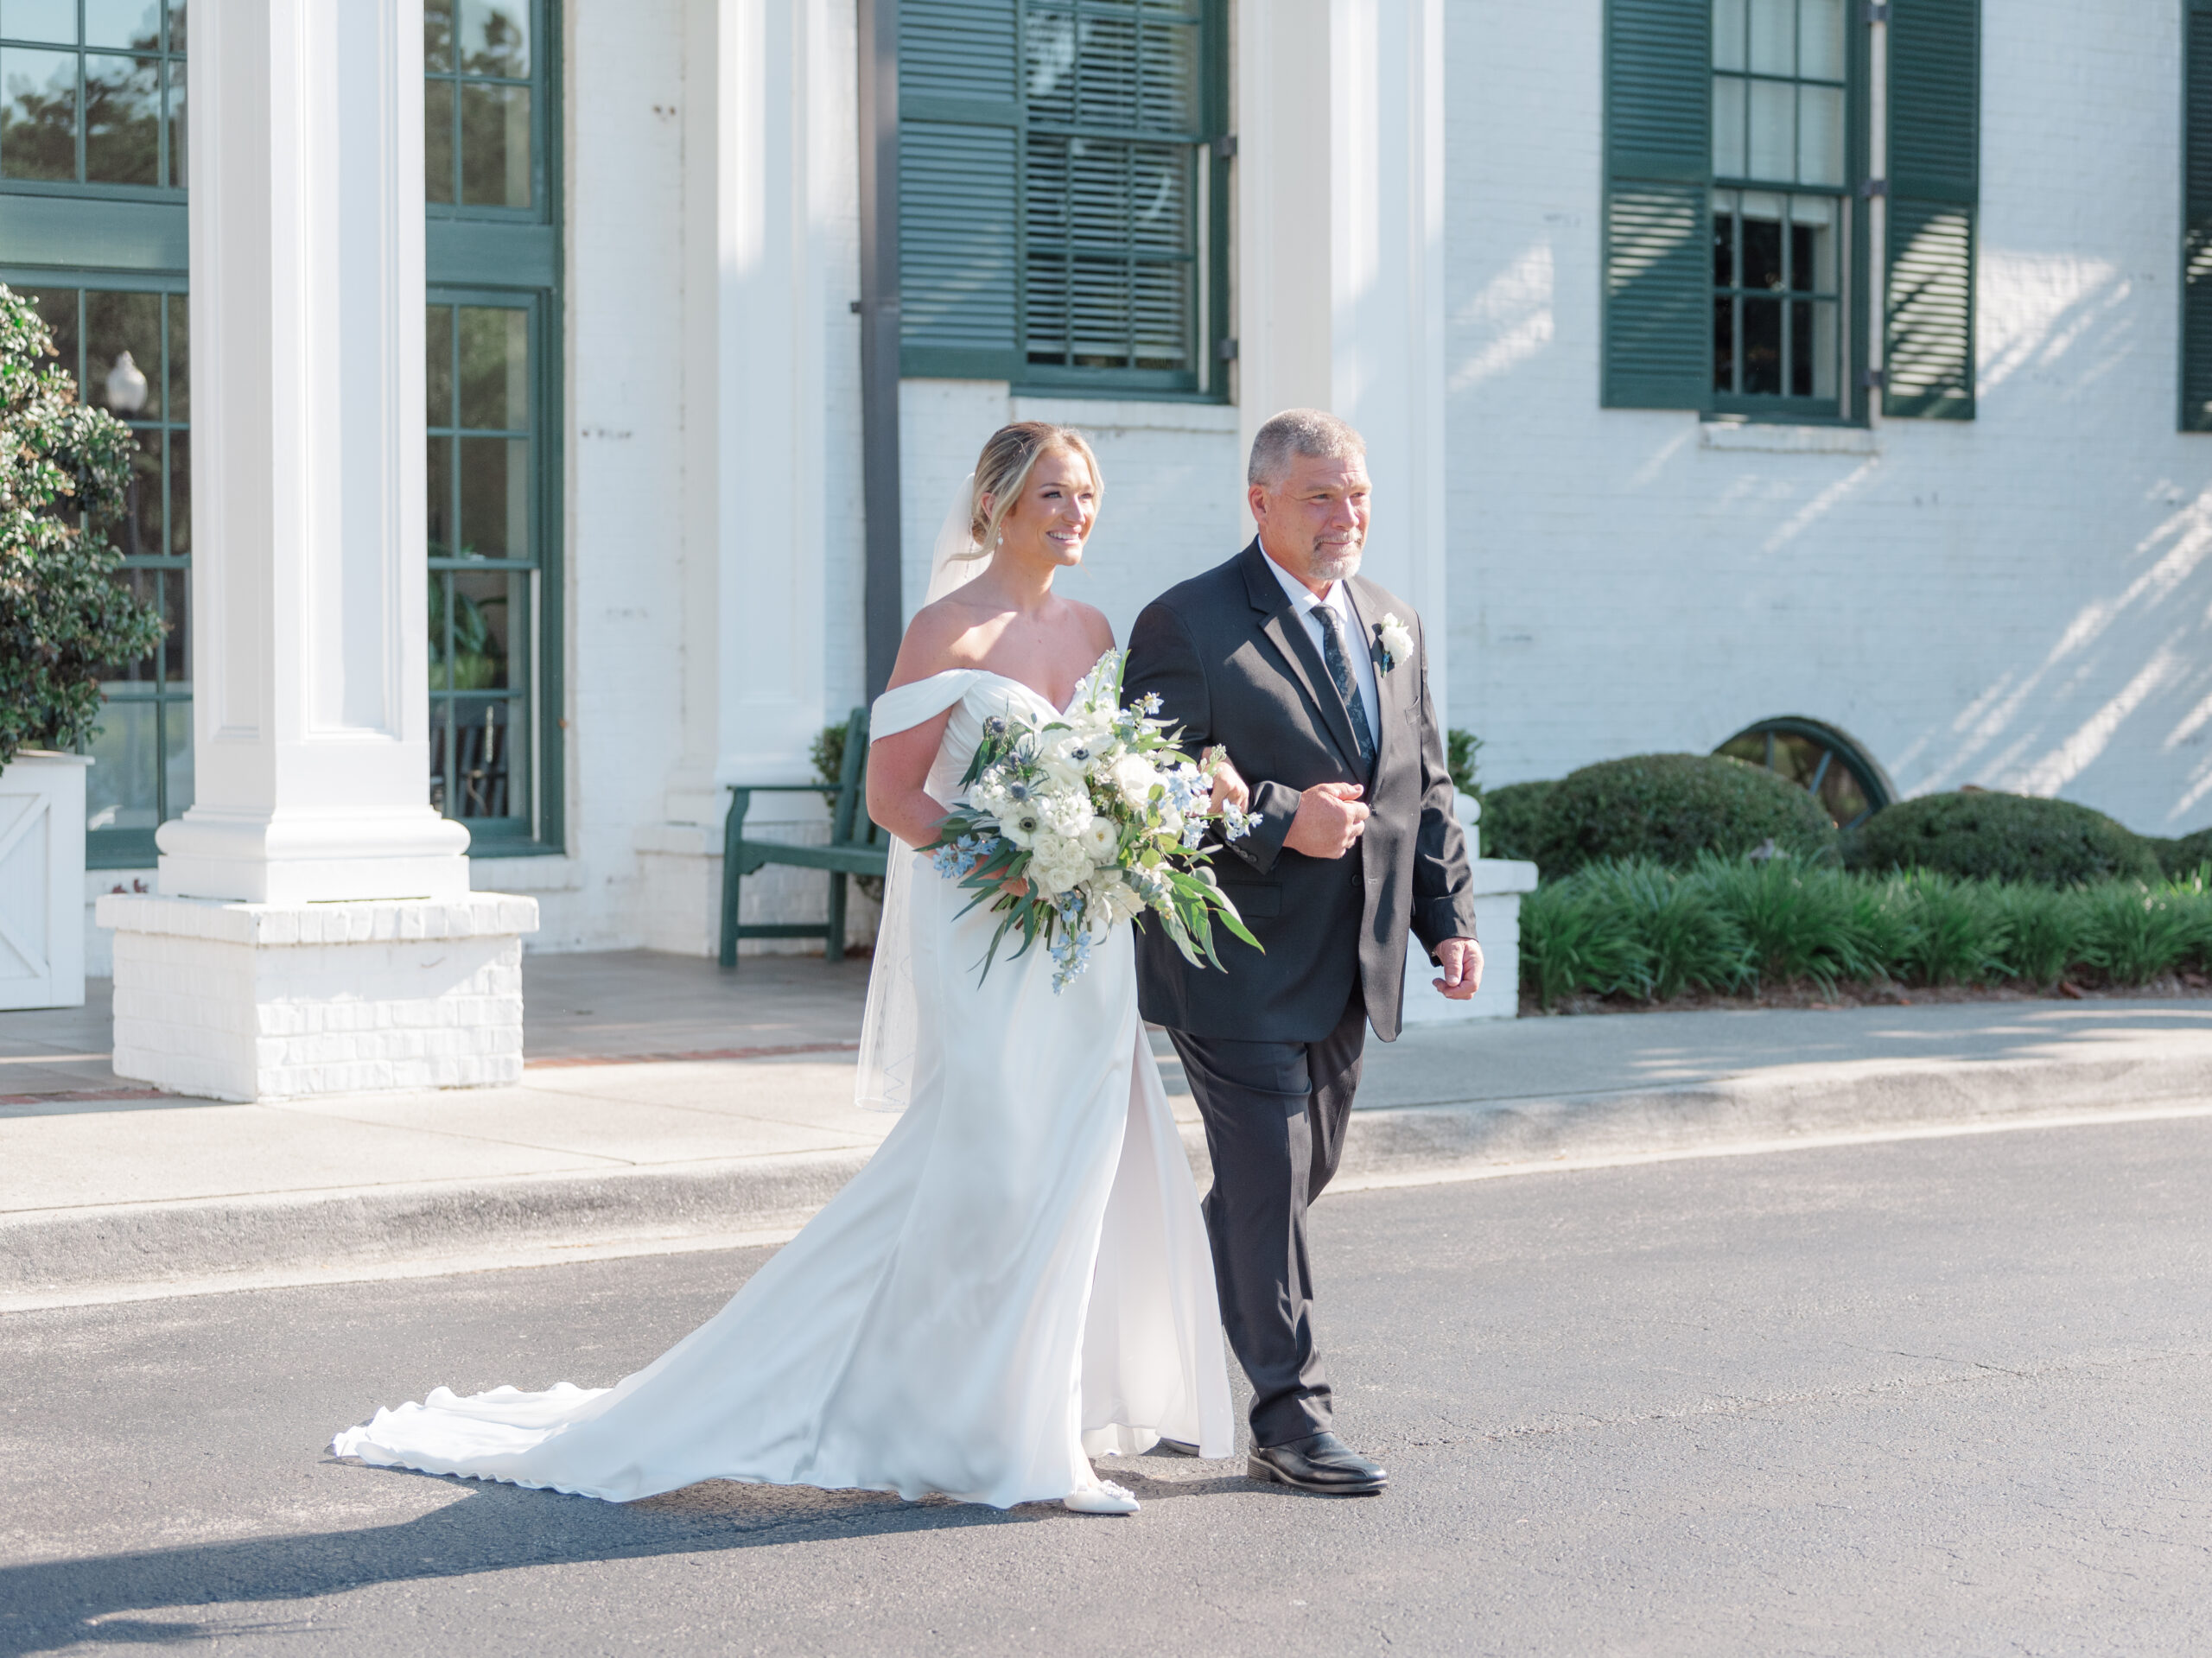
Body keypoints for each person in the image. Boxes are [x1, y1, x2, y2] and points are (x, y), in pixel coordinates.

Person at [333, 422, 1236, 1516]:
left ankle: (1031, 1430)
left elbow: (1118, 768)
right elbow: (895, 798)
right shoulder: (945, 629)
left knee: (1071, 1176)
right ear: (996, 501)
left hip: (1084, 949)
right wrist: (1014, 854)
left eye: (1087, 493)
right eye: (1053, 491)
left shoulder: (1095, 627)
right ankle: (940, 1418)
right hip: (990, 936)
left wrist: (1119, 830)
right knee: (990, 1170)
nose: (1075, 511)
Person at [1123, 408, 1482, 1496]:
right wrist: (1278, 817)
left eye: (1357, 492)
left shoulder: (1392, 619)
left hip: (1350, 959)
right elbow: (1155, 784)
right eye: (1320, 495)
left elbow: (1423, 784)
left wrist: (1447, 916)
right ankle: (1289, 1412)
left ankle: (1163, 1331)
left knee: (1284, 1181)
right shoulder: (1185, 620)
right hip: (1230, 958)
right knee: (1268, 1177)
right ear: (1260, 502)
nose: (1346, 514)